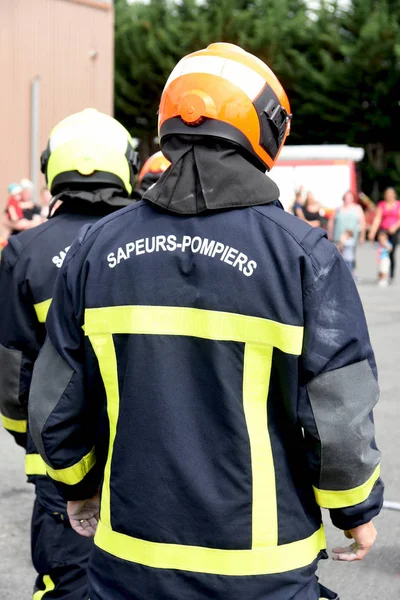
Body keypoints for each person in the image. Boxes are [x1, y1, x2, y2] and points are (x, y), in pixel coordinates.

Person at [29, 43, 382, 600]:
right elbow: (337, 411)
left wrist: (75, 485)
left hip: (129, 561)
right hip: (263, 568)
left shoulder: (97, 247)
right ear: (267, 131)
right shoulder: (302, 255)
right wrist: (355, 509)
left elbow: (56, 399)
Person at [0, 108, 139, 599]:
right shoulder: (149, 243)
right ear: (126, 164)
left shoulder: (25, 251)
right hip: (142, 458)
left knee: (68, 584)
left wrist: (32, 440)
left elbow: (15, 375)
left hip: (57, 465)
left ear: (51, 167)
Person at [368, 187, 400, 281]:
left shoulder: (398, 204)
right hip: (383, 232)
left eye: (391, 194)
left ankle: (391, 274)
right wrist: (372, 232)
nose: (389, 196)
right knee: (382, 252)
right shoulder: (381, 204)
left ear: (394, 195)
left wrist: (394, 227)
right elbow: (378, 218)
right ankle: (382, 273)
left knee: (392, 252)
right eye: (387, 194)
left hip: (394, 231)